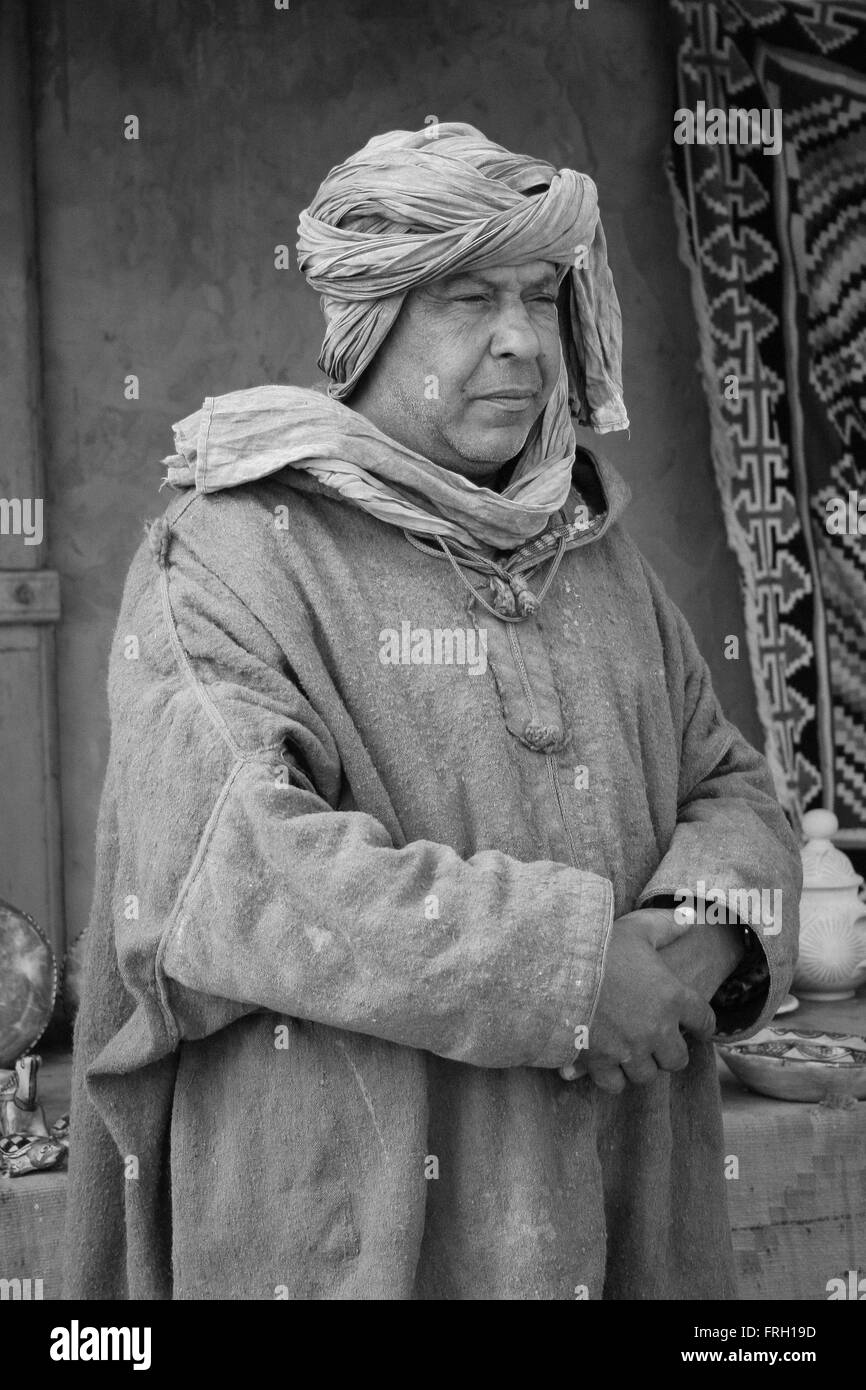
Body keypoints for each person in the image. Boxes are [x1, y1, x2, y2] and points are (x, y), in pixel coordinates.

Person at [65, 123, 800, 1301]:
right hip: (347, 1245)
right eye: (465, 297)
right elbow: (231, 870)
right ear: (367, 327)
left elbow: (734, 786)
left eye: (538, 294)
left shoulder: (596, 556)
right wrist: (563, 975)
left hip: (620, 1222)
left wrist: (699, 931)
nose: (519, 339)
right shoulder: (232, 554)